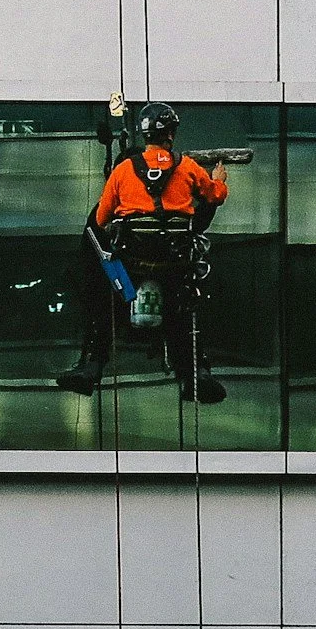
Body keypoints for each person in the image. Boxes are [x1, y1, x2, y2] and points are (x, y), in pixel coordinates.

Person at [57, 101, 229, 403]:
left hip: (130, 268)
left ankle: (92, 367)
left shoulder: (123, 171)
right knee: (184, 312)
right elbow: (214, 196)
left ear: (145, 134)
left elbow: (100, 220)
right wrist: (219, 180)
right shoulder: (188, 167)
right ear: (171, 135)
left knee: (104, 302)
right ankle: (196, 374)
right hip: (173, 267)